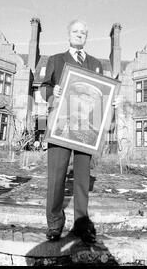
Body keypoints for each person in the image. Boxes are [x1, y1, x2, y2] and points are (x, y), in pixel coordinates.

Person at [41, 19, 106, 244]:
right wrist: (53, 93)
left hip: (85, 131)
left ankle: (81, 225)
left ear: (87, 37)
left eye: (83, 33)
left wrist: (112, 101)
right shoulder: (56, 60)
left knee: (81, 179)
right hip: (60, 127)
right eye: (75, 31)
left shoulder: (97, 64)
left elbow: (102, 95)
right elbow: (43, 88)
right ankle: (54, 224)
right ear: (68, 35)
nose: (79, 35)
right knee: (57, 177)